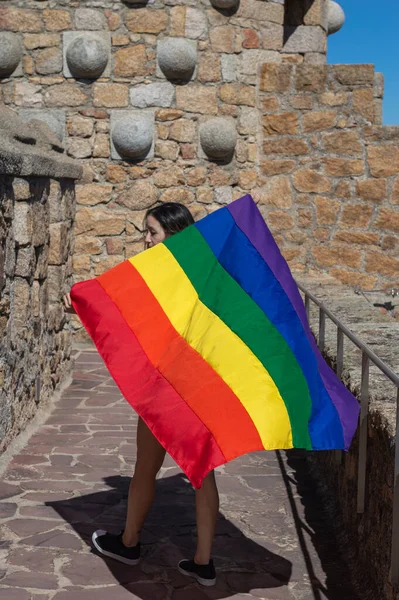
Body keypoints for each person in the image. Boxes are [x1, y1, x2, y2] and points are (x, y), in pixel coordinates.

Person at [63, 202, 219, 587]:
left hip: (164, 392)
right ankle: (204, 562)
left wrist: (84, 305)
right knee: (203, 474)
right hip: (200, 390)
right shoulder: (208, 275)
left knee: (144, 470)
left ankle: (129, 543)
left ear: (174, 234)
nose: (145, 240)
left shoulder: (154, 278)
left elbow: (120, 312)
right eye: (145, 232)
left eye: (152, 232)